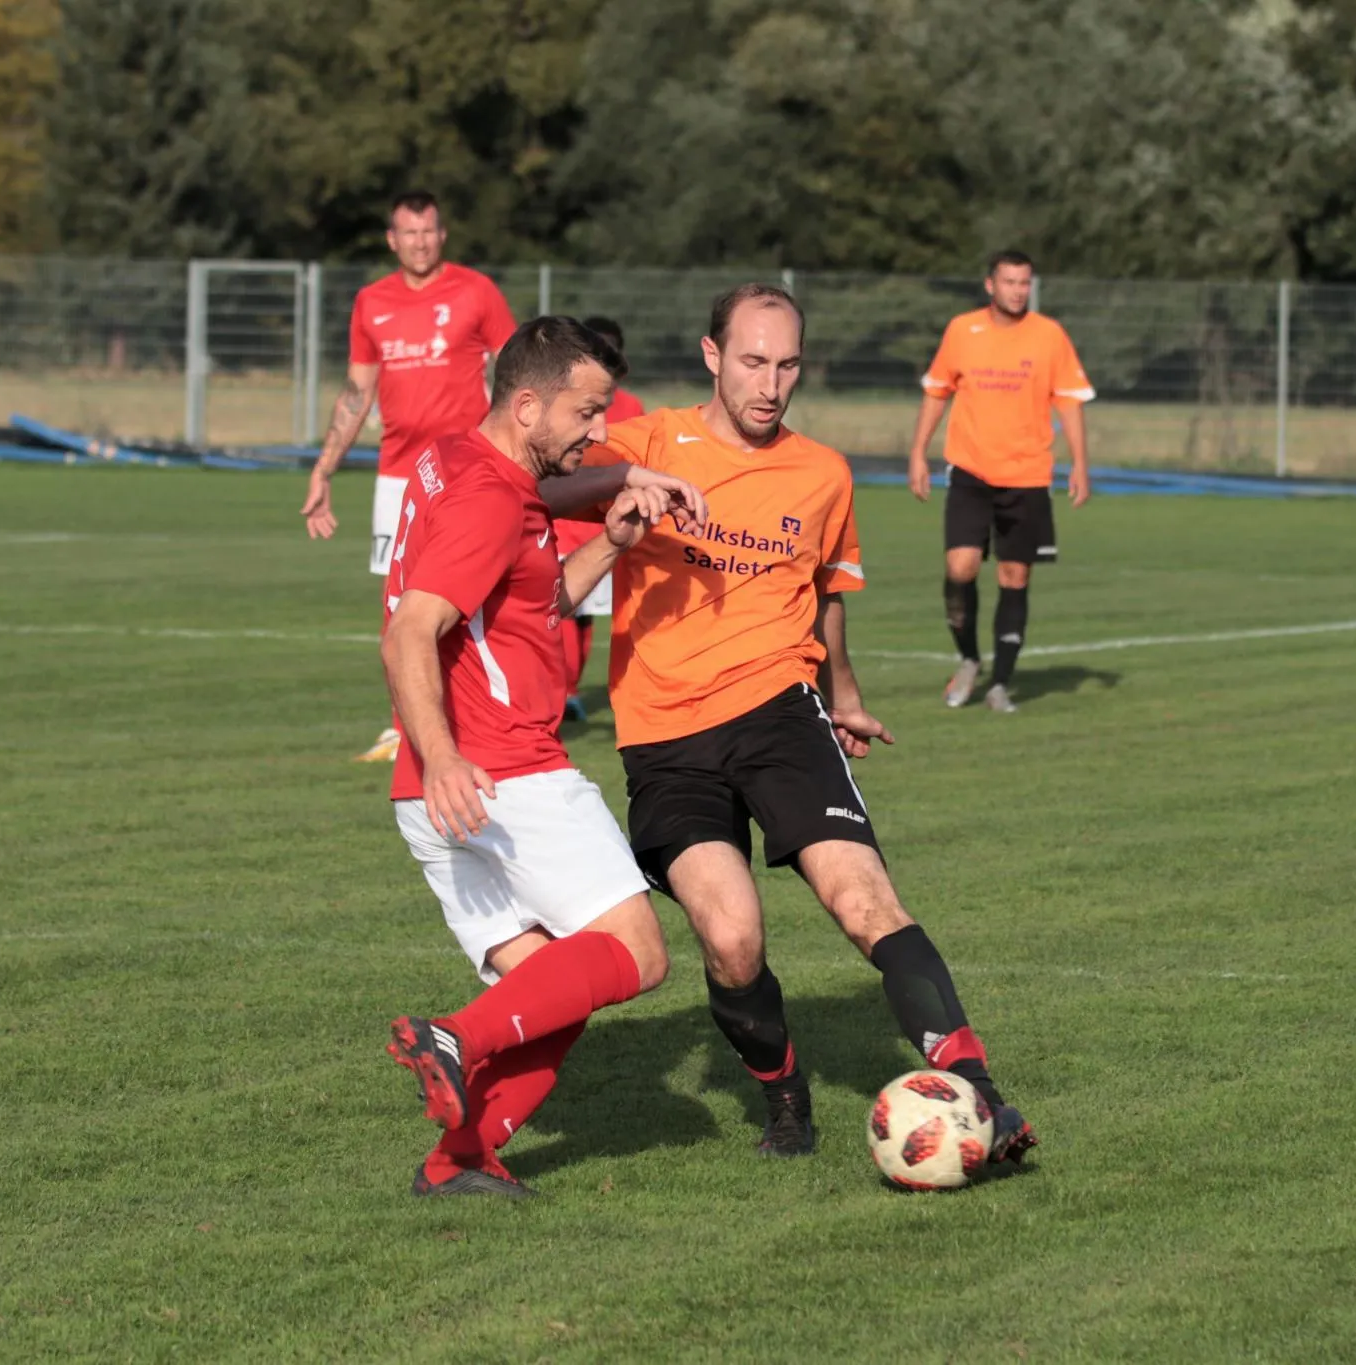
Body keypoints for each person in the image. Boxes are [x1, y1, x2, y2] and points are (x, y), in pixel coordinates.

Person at [576, 283, 1038, 1165]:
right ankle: (784, 1094)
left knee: (865, 901)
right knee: (731, 937)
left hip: (779, 712)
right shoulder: (644, 441)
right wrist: (627, 482)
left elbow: (824, 595)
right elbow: (542, 478)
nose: (771, 384)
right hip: (665, 737)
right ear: (712, 355)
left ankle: (982, 1095)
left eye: (787, 365)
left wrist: (844, 693)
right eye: (753, 361)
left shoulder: (823, 473)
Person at [378, 316, 701, 1199]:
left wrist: (617, 528)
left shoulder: (454, 460)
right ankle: (452, 1037)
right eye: (586, 412)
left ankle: (459, 1160)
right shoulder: (491, 499)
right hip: (497, 771)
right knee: (637, 953)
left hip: (430, 789)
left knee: (557, 984)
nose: (598, 430)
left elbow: (536, 596)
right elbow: (411, 630)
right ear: (527, 407)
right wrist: (448, 756)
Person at [301, 189, 517, 762]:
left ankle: (486, 716)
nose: (419, 243)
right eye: (408, 233)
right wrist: (324, 470)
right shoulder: (371, 302)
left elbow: (518, 370)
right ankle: (405, 727)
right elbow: (356, 392)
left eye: (428, 232)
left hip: (469, 469)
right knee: (398, 601)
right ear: (392, 240)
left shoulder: (477, 291)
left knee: (479, 596)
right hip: (399, 475)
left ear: (441, 235)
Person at [907, 250, 1095, 713]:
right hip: (970, 470)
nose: (1017, 290)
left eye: (1024, 282)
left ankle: (1000, 684)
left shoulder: (1049, 335)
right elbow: (937, 392)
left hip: (1027, 475)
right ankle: (969, 658)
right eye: (1009, 281)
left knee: (1014, 575)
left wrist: (1080, 463)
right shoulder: (962, 330)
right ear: (990, 284)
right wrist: (917, 453)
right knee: (961, 568)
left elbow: (1069, 401)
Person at [549, 316, 646, 721]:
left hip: (603, 523)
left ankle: (569, 690)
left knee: (586, 612)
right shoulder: (562, 400)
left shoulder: (632, 408)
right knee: (557, 606)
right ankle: (557, 691)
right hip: (565, 520)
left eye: (610, 352)